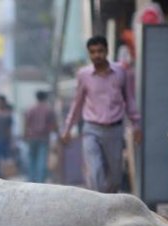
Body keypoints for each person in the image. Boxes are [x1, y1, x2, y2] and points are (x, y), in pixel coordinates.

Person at [61, 35, 142, 193]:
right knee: (95, 171)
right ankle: (98, 208)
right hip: (91, 129)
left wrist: (136, 124)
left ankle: (109, 203)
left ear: (107, 51)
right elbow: (77, 104)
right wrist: (67, 129)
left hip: (114, 130)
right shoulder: (83, 75)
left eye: (100, 51)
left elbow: (130, 99)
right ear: (89, 54)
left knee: (115, 178)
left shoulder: (121, 72)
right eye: (92, 52)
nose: (96, 55)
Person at [24, 90, 57, 183]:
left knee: (32, 159)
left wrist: (24, 135)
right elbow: (54, 124)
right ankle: (40, 180)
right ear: (45, 98)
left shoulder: (30, 109)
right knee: (42, 159)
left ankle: (31, 179)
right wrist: (58, 134)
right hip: (44, 137)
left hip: (32, 137)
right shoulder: (49, 109)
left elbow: (26, 123)